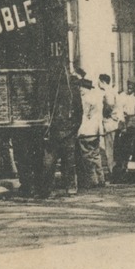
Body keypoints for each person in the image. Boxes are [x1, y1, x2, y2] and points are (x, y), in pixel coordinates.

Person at [40, 62, 83, 197]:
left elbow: (78, 113)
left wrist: (73, 129)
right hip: (53, 133)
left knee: (68, 162)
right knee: (49, 164)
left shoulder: (72, 91)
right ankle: (49, 189)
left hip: (67, 132)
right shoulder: (48, 92)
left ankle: (70, 187)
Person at [76, 75, 105, 189]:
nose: (80, 90)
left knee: (87, 156)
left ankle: (92, 180)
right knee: (96, 155)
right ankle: (101, 178)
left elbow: (83, 116)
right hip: (96, 130)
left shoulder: (85, 100)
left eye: (81, 88)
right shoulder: (96, 98)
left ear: (83, 88)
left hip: (86, 130)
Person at [98, 73, 120, 181]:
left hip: (110, 123)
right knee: (110, 149)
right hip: (111, 123)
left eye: (99, 81)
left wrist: (106, 113)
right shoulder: (110, 91)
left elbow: (110, 105)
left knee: (109, 150)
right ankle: (112, 171)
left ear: (102, 82)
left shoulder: (108, 92)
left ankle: (112, 172)